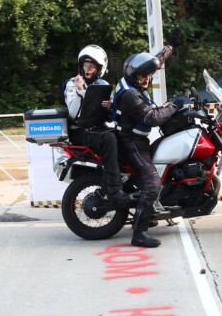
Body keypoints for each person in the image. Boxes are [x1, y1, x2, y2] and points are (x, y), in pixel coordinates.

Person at [115, 45, 180, 248]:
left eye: (149, 75)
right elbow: (151, 118)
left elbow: (154, 61)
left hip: (138, 141)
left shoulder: (132, 82)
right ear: (134, 74)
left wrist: (169, 48)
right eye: (143, 76)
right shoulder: (130, 94)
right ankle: (139, 233)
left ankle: (150, 211)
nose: (147, 79)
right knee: (153, 183)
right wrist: (174, 105)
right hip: (131, 142)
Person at [64, 44, 132, 205]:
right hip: (79, 131)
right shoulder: (72, 84)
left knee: (124, 135)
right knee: (109, 138)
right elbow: (72, 114)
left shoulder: (103, 85)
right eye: (85, 65)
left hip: (97, 128)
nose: (87, 69)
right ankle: (114, 189)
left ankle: (128, 180)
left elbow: (109, 118)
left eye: (91, 66)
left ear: (99, 69)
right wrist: (81, 92)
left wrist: (109, 107)